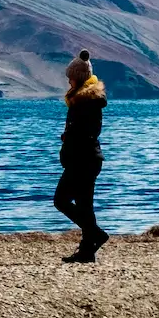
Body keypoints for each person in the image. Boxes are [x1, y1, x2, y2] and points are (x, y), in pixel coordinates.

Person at [53, 49, 109, 262]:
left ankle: (95, 233)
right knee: (84, 205)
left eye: (71, 77)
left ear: (79, 77)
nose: (68, 81)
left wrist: (69, 138)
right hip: (87, 159)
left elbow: (86, 132)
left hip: (82, 160)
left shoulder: (87, 101)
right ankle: (87, 251)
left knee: (61, 200)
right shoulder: (84, 100)